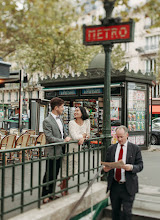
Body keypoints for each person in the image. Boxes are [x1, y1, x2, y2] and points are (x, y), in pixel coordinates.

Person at [103, 125, 143, 220]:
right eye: (118, 137)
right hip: (115, 185)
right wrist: (105, 169)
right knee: (115, 212)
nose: (119, 139)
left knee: (127, 213)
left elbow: (140, 165)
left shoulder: (135, 148)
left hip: (128, 186)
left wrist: (131, 167)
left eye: (122, 137)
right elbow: (106, 164)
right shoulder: (111, 149)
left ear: (127, 135)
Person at [42, 97, 71, 204]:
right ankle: (45, 196)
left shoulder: (60, 119)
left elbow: (63, 132)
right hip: (52, 151)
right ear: (56, 107)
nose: (63, 108)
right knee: (49, 174)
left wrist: (66, 138)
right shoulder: (47, 121)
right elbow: (49, 137)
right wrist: (63, 140)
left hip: (60, 151)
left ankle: (51, 194)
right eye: (62, 106)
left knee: (55, 174)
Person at [60, 106, 90, 196]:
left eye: (77, 111)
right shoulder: (71, 123)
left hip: (78, 148)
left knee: (74, 170)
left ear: (82, 113)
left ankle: (63, 184)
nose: (75, 112)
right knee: (67, 168)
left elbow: (88, 134)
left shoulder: (87, 122)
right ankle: (64, 187)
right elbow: (74, 136)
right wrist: (83, 136)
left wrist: (84, 137)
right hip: (70, 147)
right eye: (75, 111)